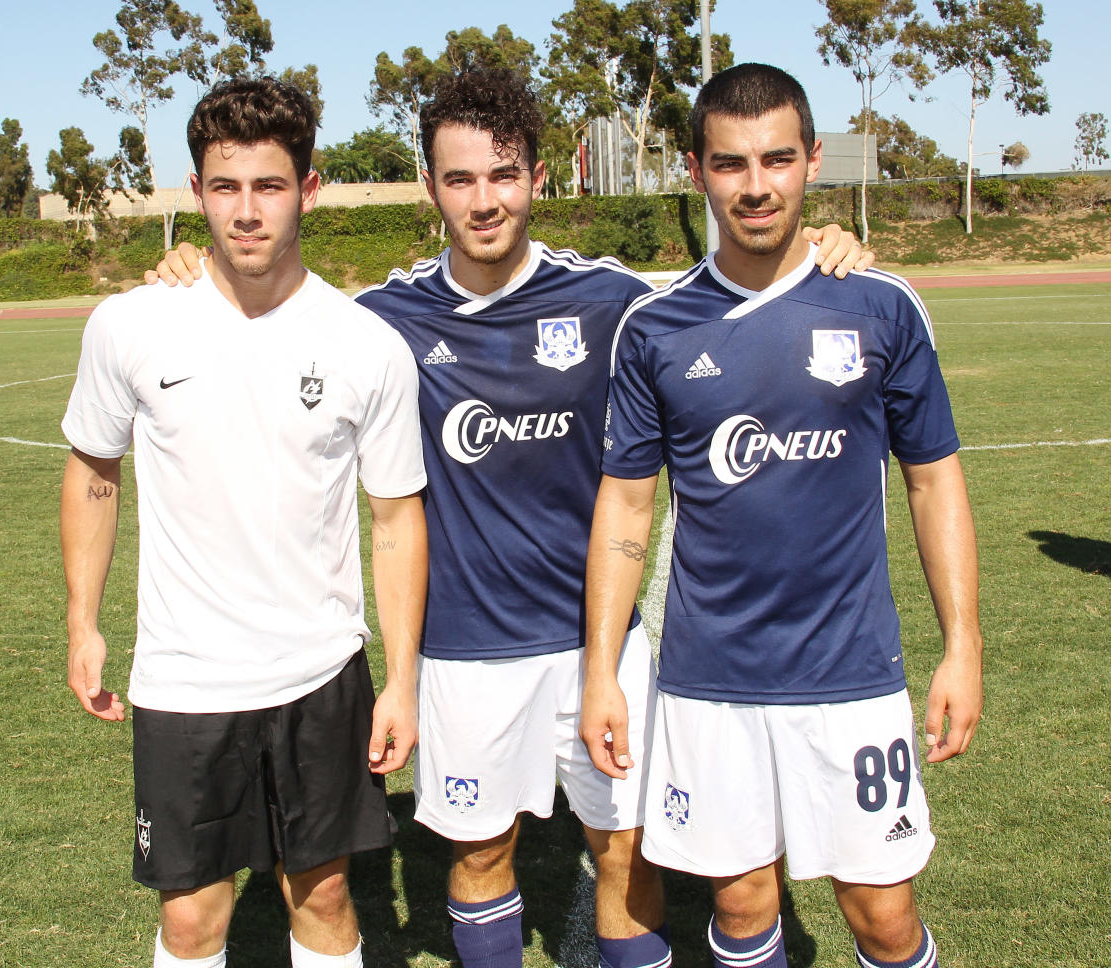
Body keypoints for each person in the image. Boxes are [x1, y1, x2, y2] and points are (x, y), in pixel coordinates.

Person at [149, 68, 872, 968]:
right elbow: (279, 302)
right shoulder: (384, 320)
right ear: (431, 188)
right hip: (462, 653)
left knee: (624, 846)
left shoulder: (613, 301)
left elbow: (732, 285)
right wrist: (193, 264)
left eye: (501, 175)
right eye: (460, 179)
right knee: (481, 852)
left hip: (597, 647)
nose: (483, 201)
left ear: (536, 177)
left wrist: (828, 248)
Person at [582, 63, 982, 968]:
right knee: (742, 904)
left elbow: (933, 482)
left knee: (882, 915)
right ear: (697, 171)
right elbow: (627, 507)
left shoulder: (880, 305)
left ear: (811, 161)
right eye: (730, 164)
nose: (755, 186)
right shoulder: (656, 328)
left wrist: (963, 645)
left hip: (851, 673)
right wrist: (603, 669)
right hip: (708, 680)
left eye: (776, 160)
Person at [60, 77, 428, 968]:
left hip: (319, 671)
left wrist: (402, 678)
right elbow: (93, 471)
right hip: (184, 680)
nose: (246, 211)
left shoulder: (365, 343)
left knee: (327, 894)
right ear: (197, 194)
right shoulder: (131, 326)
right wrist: (82, 620)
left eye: (268, 186)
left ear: (307, 189)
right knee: (191, 919)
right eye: (225, 187)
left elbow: (395, 519)